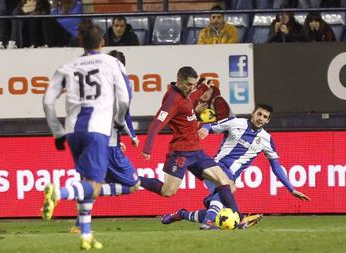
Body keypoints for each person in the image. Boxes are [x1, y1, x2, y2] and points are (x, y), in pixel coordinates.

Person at [42, 23, 129, 250]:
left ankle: (86, 233)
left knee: (86, 181)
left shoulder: (67, 66)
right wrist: (119, 121)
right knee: (95, 186)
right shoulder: (112, 63)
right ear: (103, 43)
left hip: (72, 131)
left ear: (80, 42)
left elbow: (48, 101)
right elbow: (124, 97)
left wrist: (57, 132)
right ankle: (59, 193)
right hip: (97, 130)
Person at [139, 67, 258, 230]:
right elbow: (157, 123)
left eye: (194, 85)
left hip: (197, 152)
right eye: (189, 85)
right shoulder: (172, 99)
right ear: (179, 81)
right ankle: (133, 179)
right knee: (168, 191)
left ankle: (240, 218)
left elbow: (192, 97)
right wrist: (147, 147)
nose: (192, 88)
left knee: (225, 182)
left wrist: (202, 87)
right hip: (181, 153)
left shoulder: (186, 94)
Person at [161, 104, 310, 227]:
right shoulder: (235, 122)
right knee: (227, 188)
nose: (261, 118)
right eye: (259, 114)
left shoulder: (266, 139)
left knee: (224, 213)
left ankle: (182, 214)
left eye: (265, 117)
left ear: (267, 121)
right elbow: (211, 125)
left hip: (230, 176)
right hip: (215, 168)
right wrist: (206, 128)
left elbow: (276, 166)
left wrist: (291, 189)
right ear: (253, 114)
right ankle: (209, 222)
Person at [69, 49, 141, 234]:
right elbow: (122, 114)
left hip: (88, 140)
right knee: (133, 185)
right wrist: (130, 135)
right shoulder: (119, 85)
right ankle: (69, 193)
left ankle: (79, 226)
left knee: (90, 183)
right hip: (108, 147)